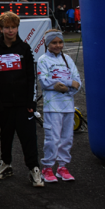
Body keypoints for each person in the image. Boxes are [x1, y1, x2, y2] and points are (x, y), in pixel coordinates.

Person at [0, 12, 44, 187]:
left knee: (28, 137)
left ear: (17, 28)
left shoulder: (24, 48)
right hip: (4, 104)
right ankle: (5, 163)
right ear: (1, 28)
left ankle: (34, 168)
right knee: (5, 137)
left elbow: (31, 77)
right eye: (7, 27)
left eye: (13, 27)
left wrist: (31, 102)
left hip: (23, 104)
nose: (10, 30)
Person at [37, 30, 82, 183]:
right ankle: (47, 168)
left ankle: (62, 167)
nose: (57, 45)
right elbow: (44, 81)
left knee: (67, 138)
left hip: (68, 106)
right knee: (52, 138)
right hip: (52, 106)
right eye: (54, 42)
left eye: (60, 42)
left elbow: (77, 81)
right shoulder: (43, 60)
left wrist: (67, 86)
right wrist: (68, 84)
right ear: (47, 43)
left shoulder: (68, 59)